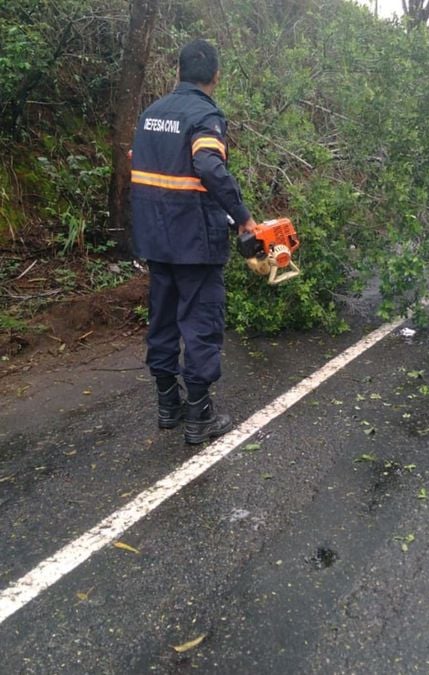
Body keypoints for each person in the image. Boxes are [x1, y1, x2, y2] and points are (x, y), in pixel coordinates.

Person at [130, 39, 257, 444]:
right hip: (194, 242)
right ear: (215, 75)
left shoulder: (151, 114)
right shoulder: (205, 115)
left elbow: (140, 162)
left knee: (163, 320)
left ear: (179, 71)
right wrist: (243, 218)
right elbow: (207, 164)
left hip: (156, 238)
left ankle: (169, 406)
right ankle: (199, 416)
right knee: (201, 323)